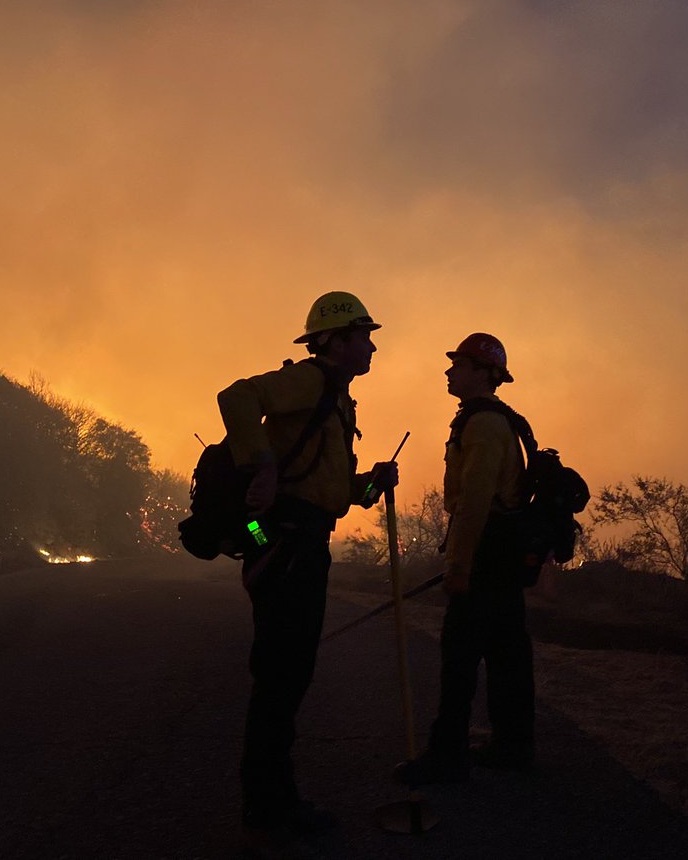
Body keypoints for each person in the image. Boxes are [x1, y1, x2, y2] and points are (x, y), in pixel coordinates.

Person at [218, 290, 398, 853]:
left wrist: (369, 485)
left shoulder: (340, 401)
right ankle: (267, 810)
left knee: (288, 676)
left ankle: (274, 800)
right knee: (280, 677)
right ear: (334, 341)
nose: (370, 345)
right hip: (285, 543)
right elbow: (236, 397)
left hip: (305, 540)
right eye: (363, 335)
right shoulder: (311, 380)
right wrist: (262, 465)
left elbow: (334, 489)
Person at [396, 332, 535, 786]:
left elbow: (474, 501)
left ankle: (447, 754)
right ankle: (513, 747)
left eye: (458, 364)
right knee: (506, 654)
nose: (449, 371)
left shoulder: (483, 424)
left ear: (483, 373)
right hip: (502, 556)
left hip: (485, 555)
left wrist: (458, 567)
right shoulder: (490, 421)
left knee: (459, 656)